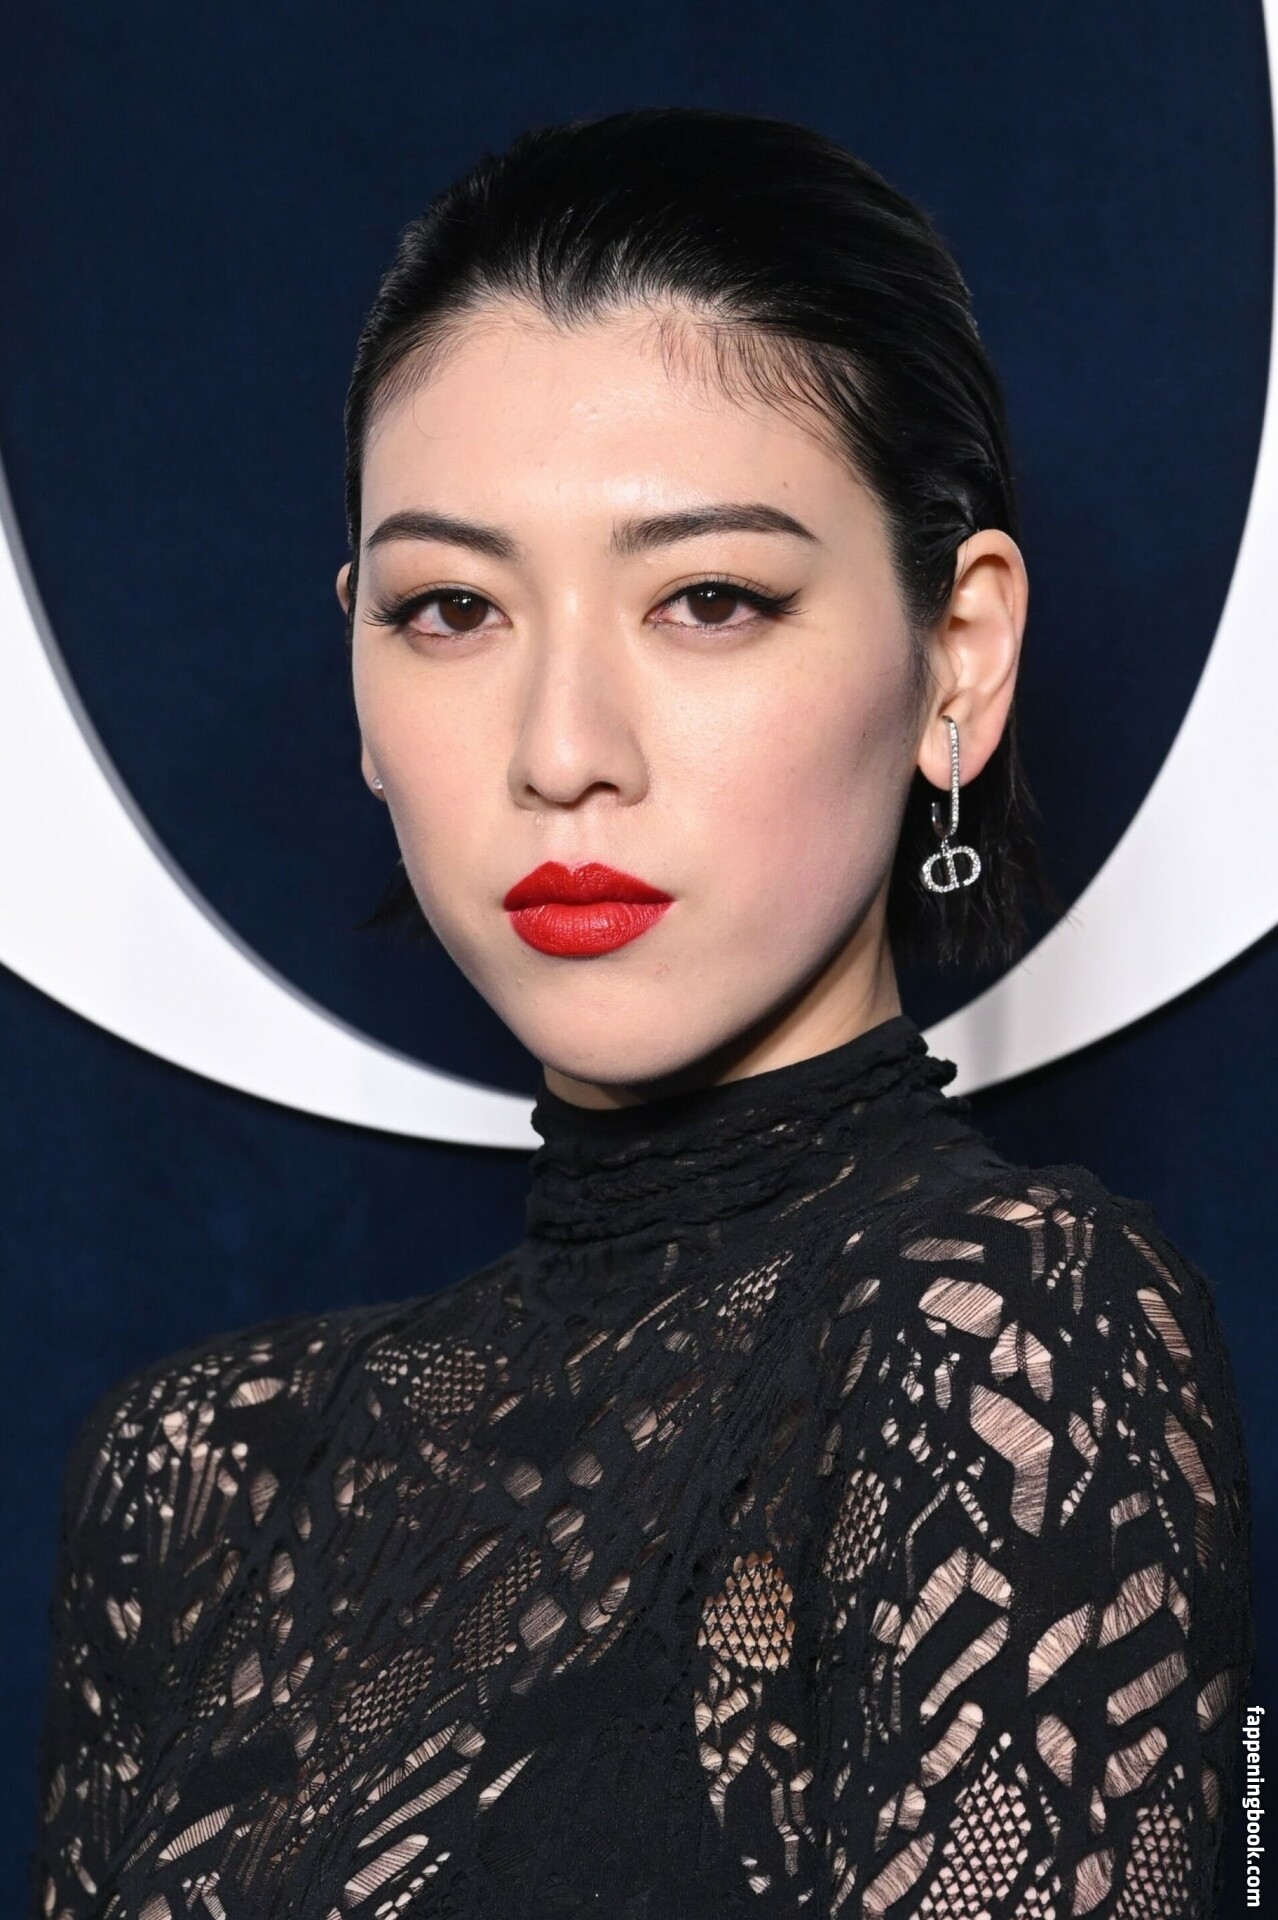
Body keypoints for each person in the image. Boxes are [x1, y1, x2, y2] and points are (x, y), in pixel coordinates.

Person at [29, 109, 1252, 1919]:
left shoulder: (1003, 1339)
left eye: (708, 599)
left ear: (957, 655)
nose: (560, 752)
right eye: (452, 608)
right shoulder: (196, 1471)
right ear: (358, 675)